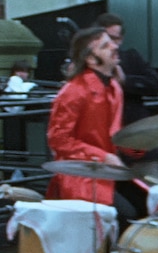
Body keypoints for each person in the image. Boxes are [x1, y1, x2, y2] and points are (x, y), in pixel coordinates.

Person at [46, 27, 138, 233]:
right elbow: (59, 140)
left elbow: (114, 134)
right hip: (80, 176)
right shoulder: (73, 91)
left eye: (112, 42)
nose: (115, 47)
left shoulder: (114, 87)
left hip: (107, 172)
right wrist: (103, 156)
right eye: (106, 46)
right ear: (90, 59)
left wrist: (141, 146)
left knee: (148, 205)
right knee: (127, 216)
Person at [94, 13, 158, 220]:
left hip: (137, 141)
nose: (112, 45)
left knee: (150, 196)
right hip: (109, 146)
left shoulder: (130, 57)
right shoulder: (91, 66)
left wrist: (126, 81)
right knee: (119, 207)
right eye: (107, 39)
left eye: (115, 39)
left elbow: (154, 85)